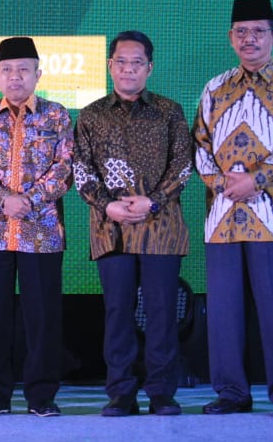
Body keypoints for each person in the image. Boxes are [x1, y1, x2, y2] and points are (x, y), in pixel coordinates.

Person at [193, 0, 273, 417]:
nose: (250, 39)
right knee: (224, 314)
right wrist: (224, 184)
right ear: (231, 38)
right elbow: (200, 146)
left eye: (258, 31)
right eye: (241, 32)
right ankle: (231, 392)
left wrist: (255, 180)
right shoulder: (214, 87)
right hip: (223, 214)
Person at [74, 30, 193, 417]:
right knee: (118, 312)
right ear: (110, 66)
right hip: (112, 229)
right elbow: (81, 169)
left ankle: (161, 392)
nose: (128, 69)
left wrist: (152, 202)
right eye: (121, 62)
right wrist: (107, 206)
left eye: (136, 63)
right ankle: (121, 392)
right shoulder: (91, 115)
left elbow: (184, 165)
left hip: (161, 226)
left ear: (149, 68)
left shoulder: (169, 111)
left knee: (161, 312)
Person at [0, 37, 73, 417]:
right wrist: (4, 200)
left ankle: (41, 396)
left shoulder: (57, 115)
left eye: (24, 69)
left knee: (42, 318)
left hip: (41, 232)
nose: (15, 77)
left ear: (38, 74)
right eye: (8, 70)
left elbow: (64, 169)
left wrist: (30, 200)